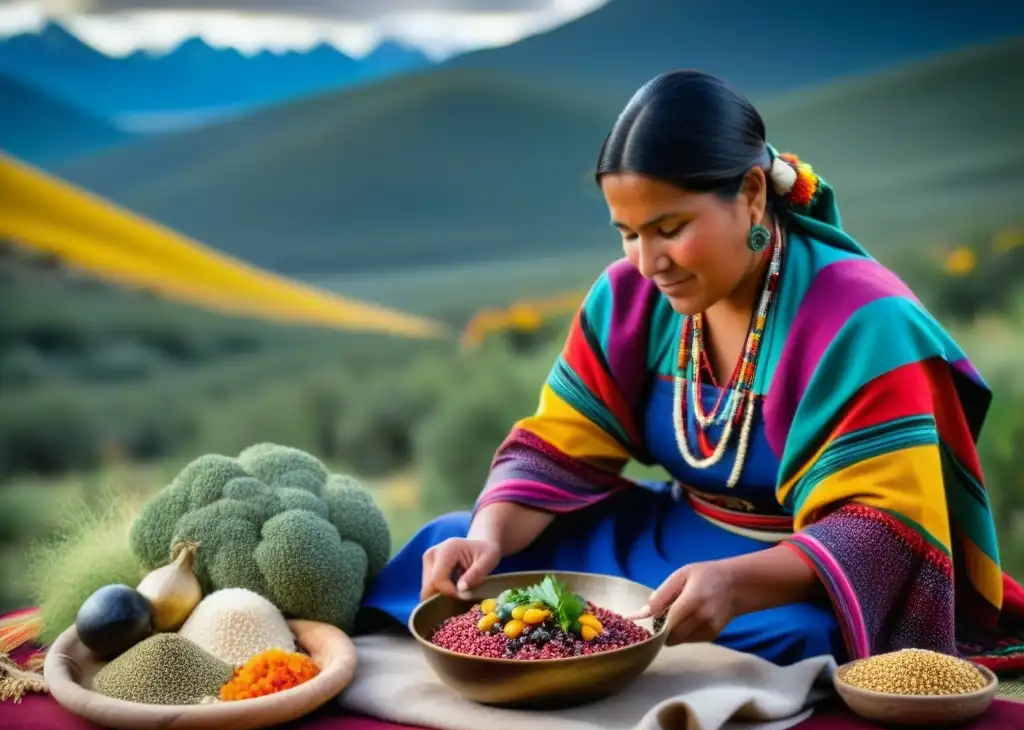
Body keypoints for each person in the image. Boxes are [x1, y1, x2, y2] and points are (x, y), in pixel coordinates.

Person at [360, 70, 1024, 669]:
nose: (649, 261)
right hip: (672, 540)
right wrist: (487, 538)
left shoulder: (864, 319)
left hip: (796, 573)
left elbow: (886, 532)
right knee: (450, 540)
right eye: (627, 232)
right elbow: (556, 448)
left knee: (792, 641)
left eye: (671, 227)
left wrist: (739, 583)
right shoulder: (627, 298)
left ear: (753, 194)